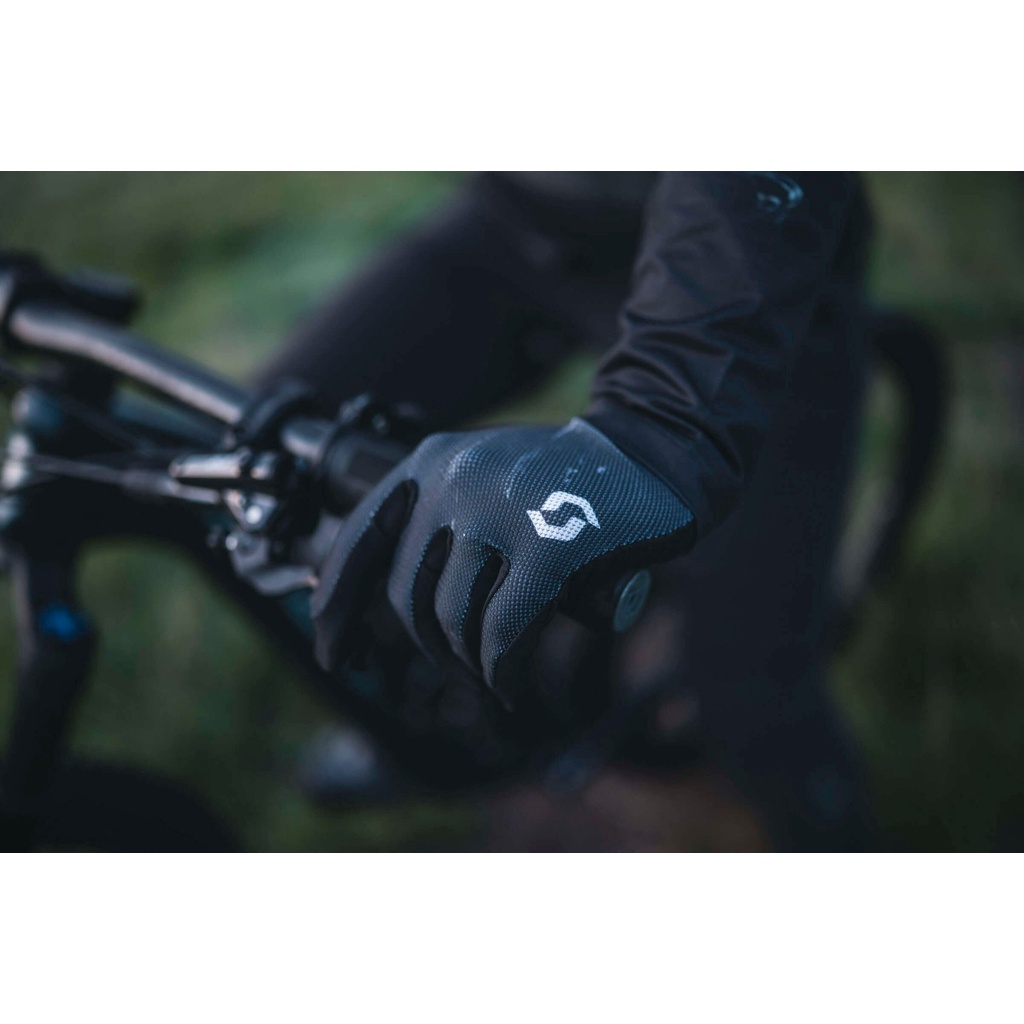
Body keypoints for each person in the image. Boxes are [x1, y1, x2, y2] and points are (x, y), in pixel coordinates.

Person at [257, 172, 876, 851]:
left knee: (746, 685)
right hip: (518, 219)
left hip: (733, 248)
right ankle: (423, 726)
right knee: (258, 452)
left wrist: (663, 416)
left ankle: (833, 831)